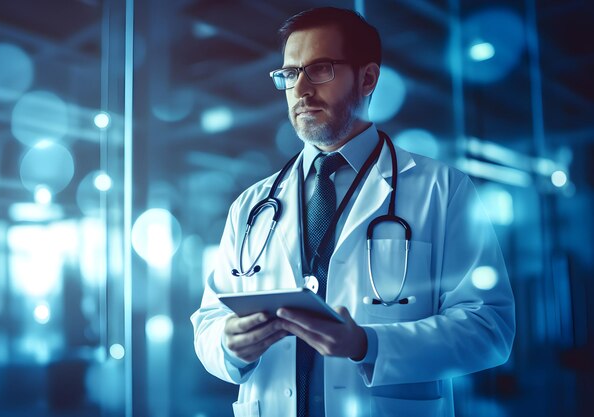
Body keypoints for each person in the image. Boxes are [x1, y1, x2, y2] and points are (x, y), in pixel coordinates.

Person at [191, 7, 515, 417]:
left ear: (368, 78)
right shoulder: (251, 205)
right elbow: (208, 322)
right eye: (290, 74)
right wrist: (228, 344)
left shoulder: (442, 189)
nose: (301, 89)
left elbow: (490, 330)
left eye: (320, 69)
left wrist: (367, 344)